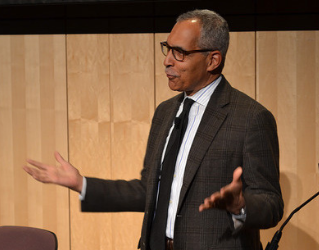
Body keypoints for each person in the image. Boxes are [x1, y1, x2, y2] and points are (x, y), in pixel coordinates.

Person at [24, 9, 283, 250]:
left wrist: (240, 205)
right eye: (167, 49)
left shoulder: (251, 118)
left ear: (212, 60)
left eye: (179, 52)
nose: (167, 61)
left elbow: (271, 204)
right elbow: (147, 190)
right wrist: (82, 184)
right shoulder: (165, 112)